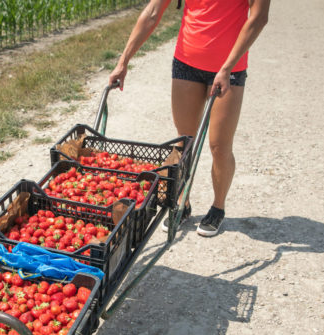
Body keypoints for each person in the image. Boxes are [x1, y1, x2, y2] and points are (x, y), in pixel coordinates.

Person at [109, 0, 270, 237]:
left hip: (230, 69)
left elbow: (258, 18)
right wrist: (123, 61)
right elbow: (153, 12)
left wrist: (226, 68)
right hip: (186, 63)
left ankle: (218, 207)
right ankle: (182, 203)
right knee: (184, 143)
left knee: (219, 145)